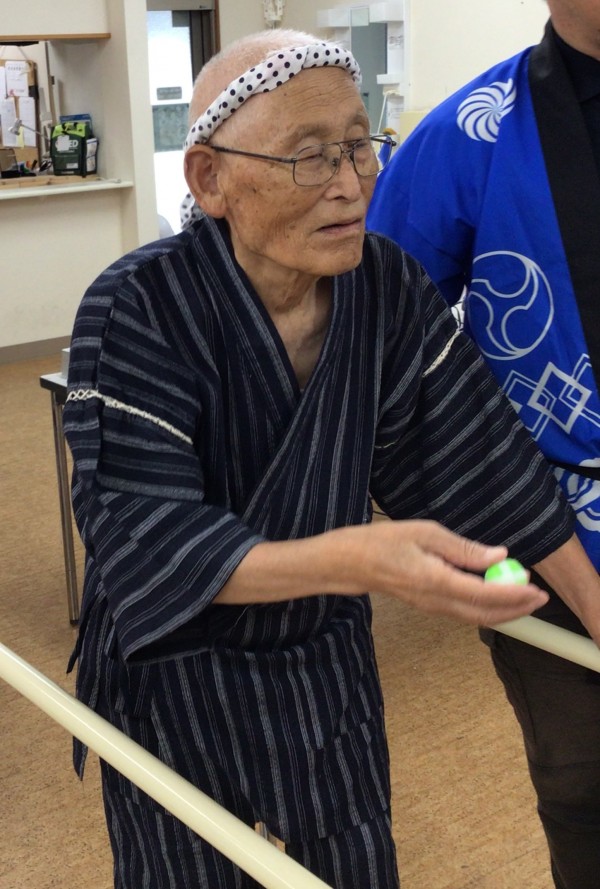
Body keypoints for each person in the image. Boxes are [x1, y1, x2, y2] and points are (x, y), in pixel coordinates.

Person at [63, 27, 600, 889]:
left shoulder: (385, 286)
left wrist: (595, 606)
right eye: (309, 157)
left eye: (358, 145)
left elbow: (486, 458)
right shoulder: (138, 306)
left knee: (353, 863)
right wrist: (356, 559)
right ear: (210, 178)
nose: (351, 184)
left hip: (323, 659)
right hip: (177, 670)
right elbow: (145, 532)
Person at [367, 3, 600, 887]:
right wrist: (478, 540)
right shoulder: (470, 133)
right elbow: (380, 351)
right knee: (582, 783)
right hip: (545, 526)